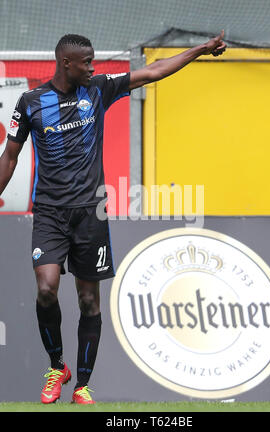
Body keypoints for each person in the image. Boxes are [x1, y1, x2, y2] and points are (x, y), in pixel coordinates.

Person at [0, 31, 226, 404]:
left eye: (93, 61)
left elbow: (152, 71)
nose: (93, 67)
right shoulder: (30, 102)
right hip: (50, 214)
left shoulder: (99, 90)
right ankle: (57, 366)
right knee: (45, 290)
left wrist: (200, 50)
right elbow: (9, 158)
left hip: (91, 215)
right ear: (66, 64)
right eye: (86, 62)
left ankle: (82, 386)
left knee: (89, 302)